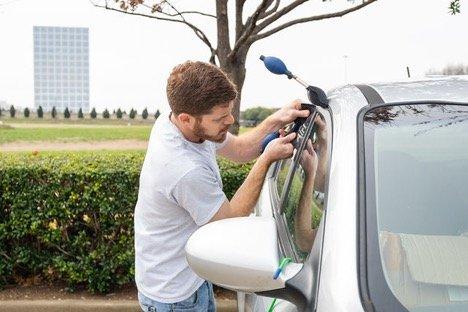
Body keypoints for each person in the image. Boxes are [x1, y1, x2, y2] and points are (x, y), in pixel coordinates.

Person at [134, 60, 310, 312]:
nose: (230, 120)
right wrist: (267, 158)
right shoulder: (183, 168)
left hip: (189, 277)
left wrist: (276, 119)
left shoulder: (182, 123)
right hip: (174, 296)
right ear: (186, 118)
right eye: (220, 117)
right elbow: (229, 223)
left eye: (229, 111)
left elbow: (239, 149)